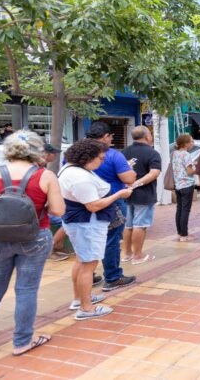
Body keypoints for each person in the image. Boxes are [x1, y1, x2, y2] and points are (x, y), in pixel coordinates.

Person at [0, 131, 64, 355]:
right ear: (38, 151)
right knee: (26, 290)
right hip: (34, 237)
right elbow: (58, 211)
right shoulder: (45, 176)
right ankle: (22, 342)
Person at [60, 138, 133, 321]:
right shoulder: (79, 177)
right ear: (88, 157)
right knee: (88, 265)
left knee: (81, 261)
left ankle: (80, 299)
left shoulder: (72, 170)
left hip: (81, 223)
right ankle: (86, 308)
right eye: (100, 158)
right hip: (87, 224)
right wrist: (119, 194)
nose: (102, 162)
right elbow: (93, 205)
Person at [86, 121, 136, 292]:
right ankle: (112, 277)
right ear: (106, 137)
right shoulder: (113, 155)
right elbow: (129, 179)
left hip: (82, 203)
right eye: (111, 137)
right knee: (111, 240)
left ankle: (87, 275)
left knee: (88, 239)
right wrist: (129, 169)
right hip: (111, 202)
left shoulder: (76, 153)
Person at [121, 126, 161, 265]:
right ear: (147, 136)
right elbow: (154, 173)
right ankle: (138, 256)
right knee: (140, 225)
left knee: (129, 225)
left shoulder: (124, 152)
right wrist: (136, 184)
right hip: (144, 195)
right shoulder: (152, 153)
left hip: (126, 194)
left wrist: (128, 185)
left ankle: (127, 254)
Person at [39, 143, 69, 261]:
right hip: (41, 212)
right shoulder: (42, 172)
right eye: (53, 153)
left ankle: (58, 246)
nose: (55, 155)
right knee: (68, 220)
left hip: (40, 210)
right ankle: (50, 250)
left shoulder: (42, 169)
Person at [172, 134, 197, 242]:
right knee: (185, 210)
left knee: (179, 209)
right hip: (187, 185)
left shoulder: (175, 153)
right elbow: (189, 171)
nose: (193, 143)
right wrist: (196, 166)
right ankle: (184, 235)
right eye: (191, 141)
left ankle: (180, 232)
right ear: (185, 143)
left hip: (178, 184)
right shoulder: (186, 154)